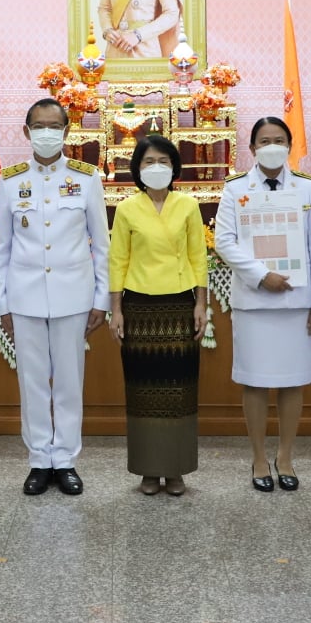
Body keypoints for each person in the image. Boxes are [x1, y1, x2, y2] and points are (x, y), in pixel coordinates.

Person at [0, 97, 110, 497]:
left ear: (66, 131)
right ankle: (40, 460)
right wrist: (2, 303)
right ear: (26, 132)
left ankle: (66, 459)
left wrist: (101, 299)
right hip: (24, 297)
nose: (46, 133)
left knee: (69, 382)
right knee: (32, 382)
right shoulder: (11, 180)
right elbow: (1, 249)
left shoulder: (86, 178)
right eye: (38, 126)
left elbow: (101, 244)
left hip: (73, 296)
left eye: (54, 126)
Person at [215, 117, 311, 492]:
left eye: (279, 140)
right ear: (252, 148)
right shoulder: (235, 188)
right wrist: (262, 275)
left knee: (292, 382)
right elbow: (224, 242)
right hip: (255, 302)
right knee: (255, 381)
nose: (272, 146)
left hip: (296, 302)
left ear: (289, 146)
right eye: (264, 141)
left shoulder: (306, 188)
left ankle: (286, 456)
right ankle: (259, 457)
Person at [108, 133, 209, 496]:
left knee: (180, 390)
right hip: (139, 307)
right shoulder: (126, 209)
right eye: (149, 161)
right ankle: (149, 470)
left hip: (180, 305)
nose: (156, 167)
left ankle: (176, 469)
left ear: (174, 167)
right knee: (142, 391)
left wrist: (201, 304)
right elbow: (117, 260)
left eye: (163, 161)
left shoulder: (188, 205)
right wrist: (115, 310)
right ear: (137, 168)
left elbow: (198, 257)